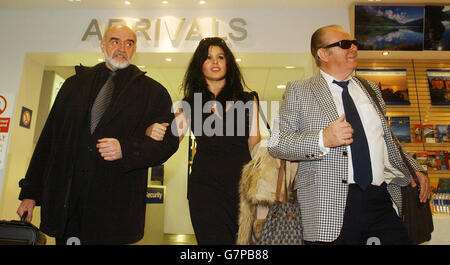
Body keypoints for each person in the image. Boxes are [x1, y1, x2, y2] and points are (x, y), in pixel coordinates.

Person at [268, 25, 431, 245]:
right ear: (323, 54)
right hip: (327, 205)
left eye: (354, 43)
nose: (353, 47)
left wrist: (414, 168)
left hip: (378, 198)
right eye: (344, 44)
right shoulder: (300, 90)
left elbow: (387, 140)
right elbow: (278, 143)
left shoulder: (370, 89)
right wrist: (322, 139)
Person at [16, 24, 179, 245]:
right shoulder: (73, 86)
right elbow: (49, 140)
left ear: (134, 49)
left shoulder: (152, 93)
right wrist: (30, 193)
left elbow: (168, 143)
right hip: (68, 204)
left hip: (115, 211)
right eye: (115, 41)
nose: (122, 48)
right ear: (102, 45)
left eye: (129, 43)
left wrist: (126, 149)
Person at [146, 37, 260, 244]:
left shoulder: (248, 99)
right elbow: (169, 138)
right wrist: (149, 130)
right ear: (200, 65)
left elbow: (254, 140)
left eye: (220, 57)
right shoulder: (189, 104)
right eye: (208, 58)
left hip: (243, 188)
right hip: (205, 189)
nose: (215, 62)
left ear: (228, 63)